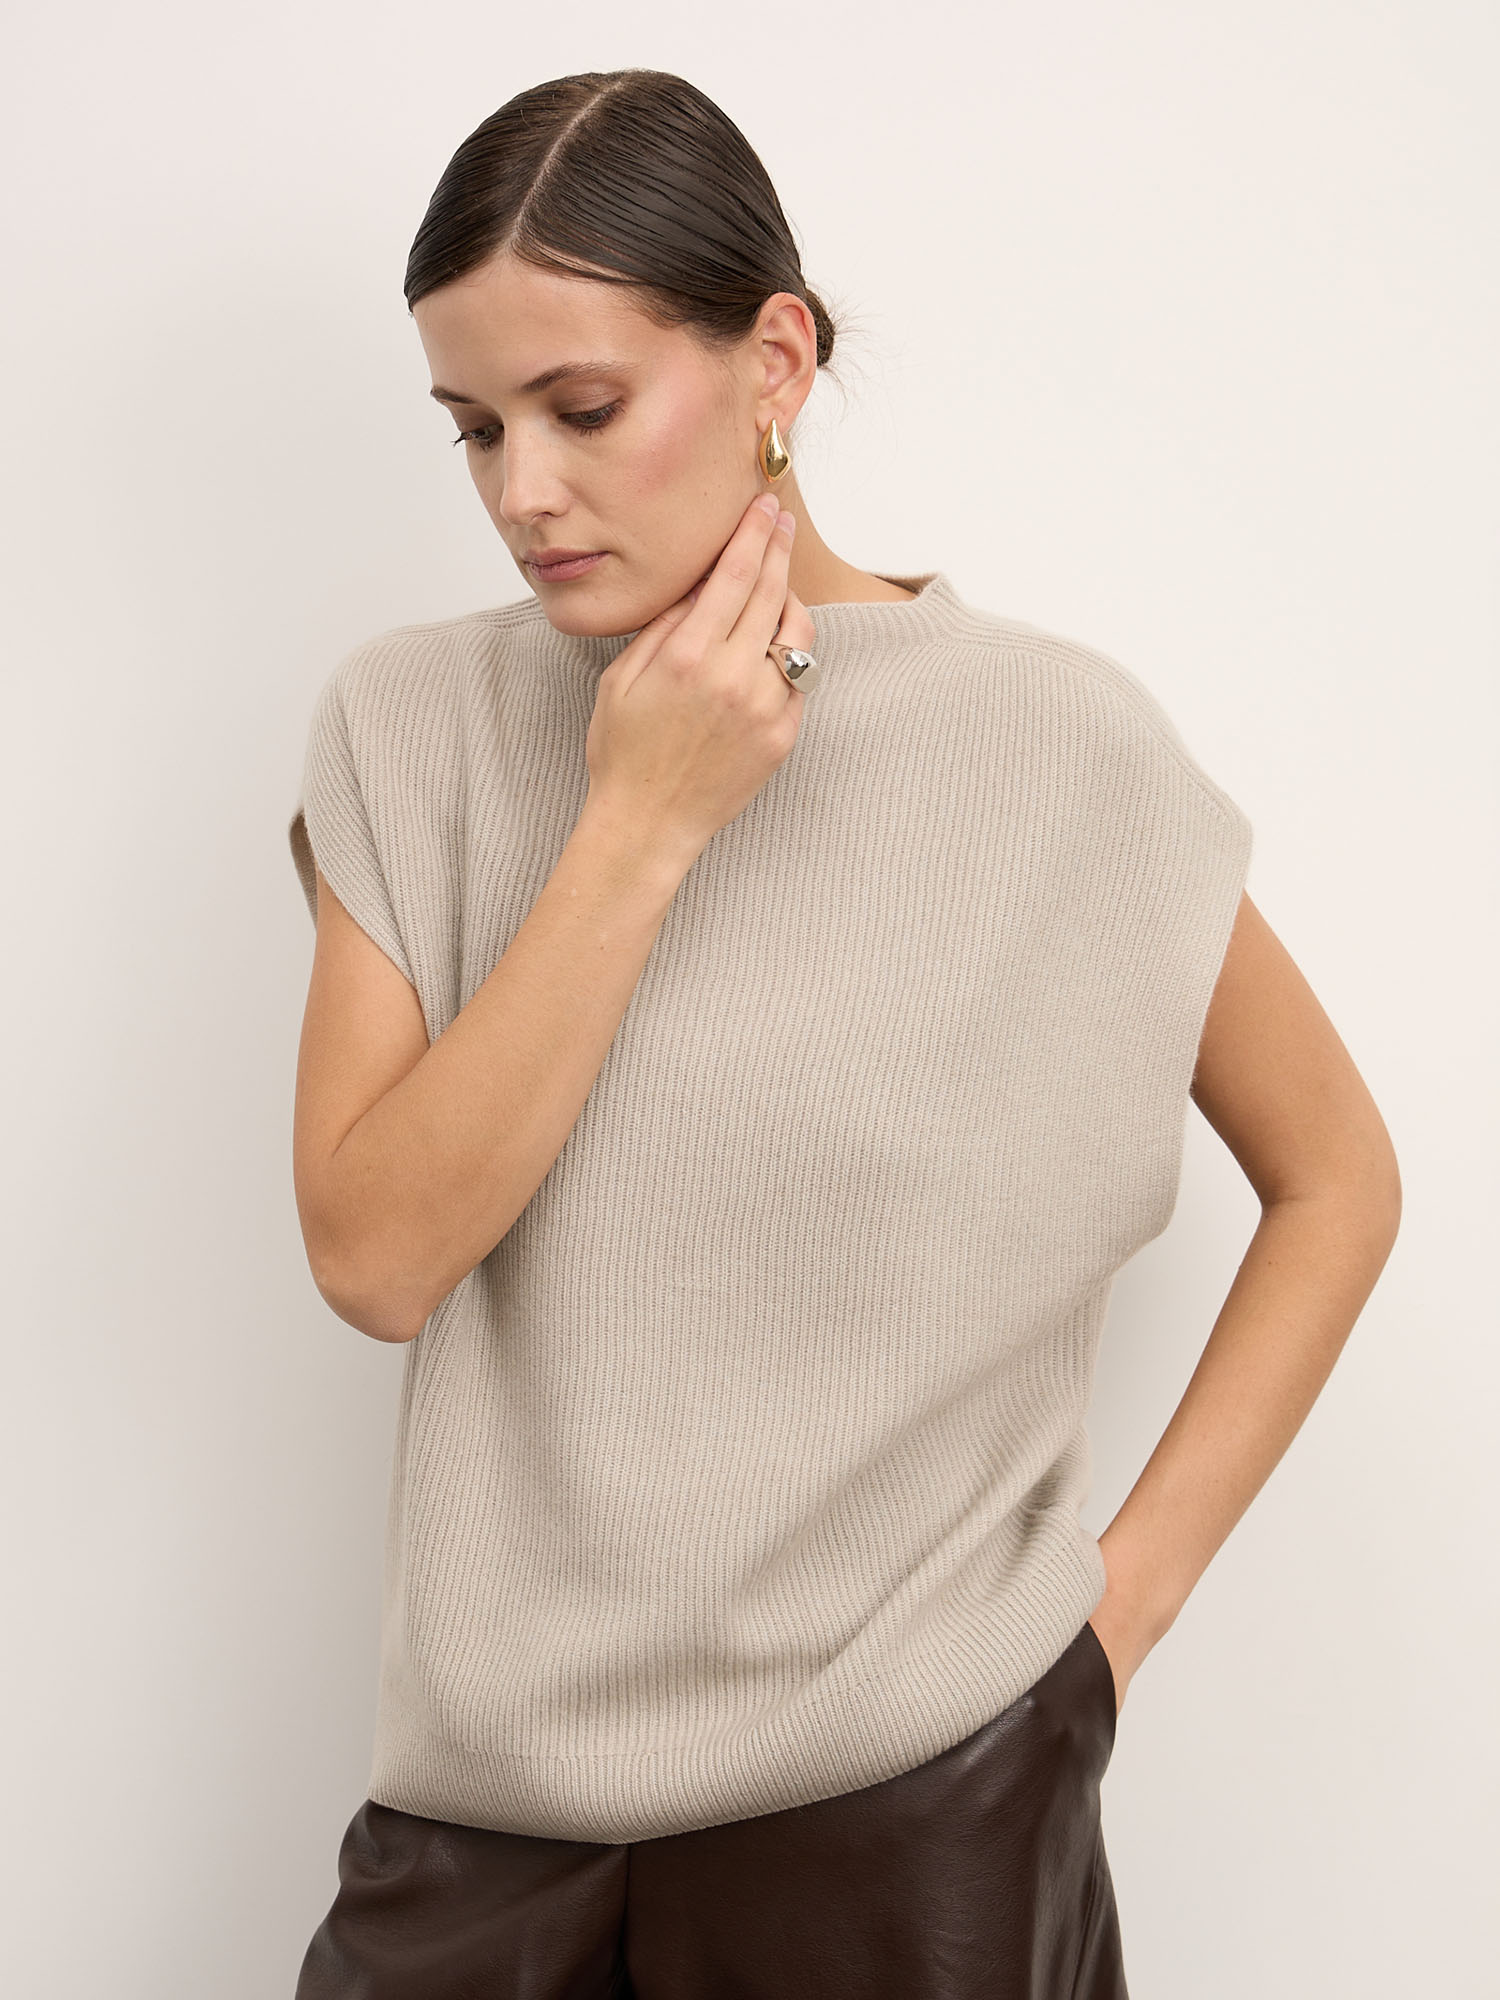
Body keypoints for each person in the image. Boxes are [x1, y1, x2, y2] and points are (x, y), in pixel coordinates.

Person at [286, 67, 1401, 2000]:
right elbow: (376, 1258)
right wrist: (641, 823)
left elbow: (1339, 1181)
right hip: (479, 1830)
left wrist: (1110, 1625)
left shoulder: (1055, 746)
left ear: (776, 362)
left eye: (580, 408)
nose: (521, 490)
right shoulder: (414, 727)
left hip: (916, 1817)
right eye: (474, 428)